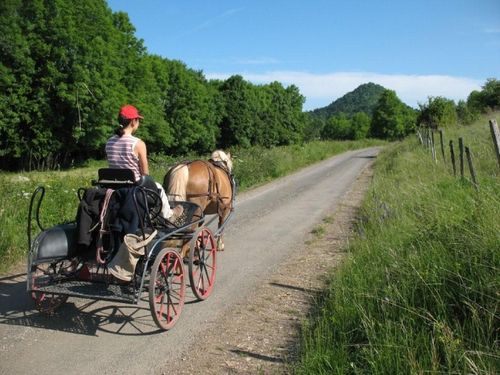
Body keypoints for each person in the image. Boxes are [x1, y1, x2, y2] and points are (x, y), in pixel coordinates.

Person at [105, 104, 181, 220]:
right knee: (158, 186)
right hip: (134, 188)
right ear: (133, 122)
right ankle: (168, 215)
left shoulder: (109, 142)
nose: (138, 123)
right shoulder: (138, 143)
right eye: (138, 120)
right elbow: (145, 173)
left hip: (114, 187)